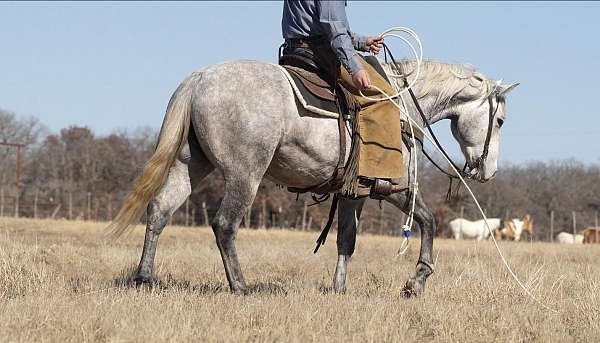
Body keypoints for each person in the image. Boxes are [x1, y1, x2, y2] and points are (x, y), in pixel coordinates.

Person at [281, 0, 405, 195]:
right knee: (383, 96)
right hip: (319, 53)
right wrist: (355, 68)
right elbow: (334, 29)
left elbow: (322, 25)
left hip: (293, 49)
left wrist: (361, 42)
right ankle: (371, 176)